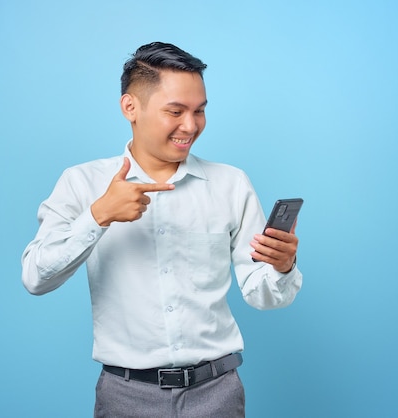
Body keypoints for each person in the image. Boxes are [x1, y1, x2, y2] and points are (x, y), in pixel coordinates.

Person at [21, 41, 302, 418]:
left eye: (200, 111)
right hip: (125, 397)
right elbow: (36, 278)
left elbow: (261, 294)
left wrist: (282, 267)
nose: (191, 126)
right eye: (176, 111)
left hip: (217, 393)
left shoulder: (231, 184)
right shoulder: (82, 183)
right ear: (130, 107)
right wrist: (99, 215)